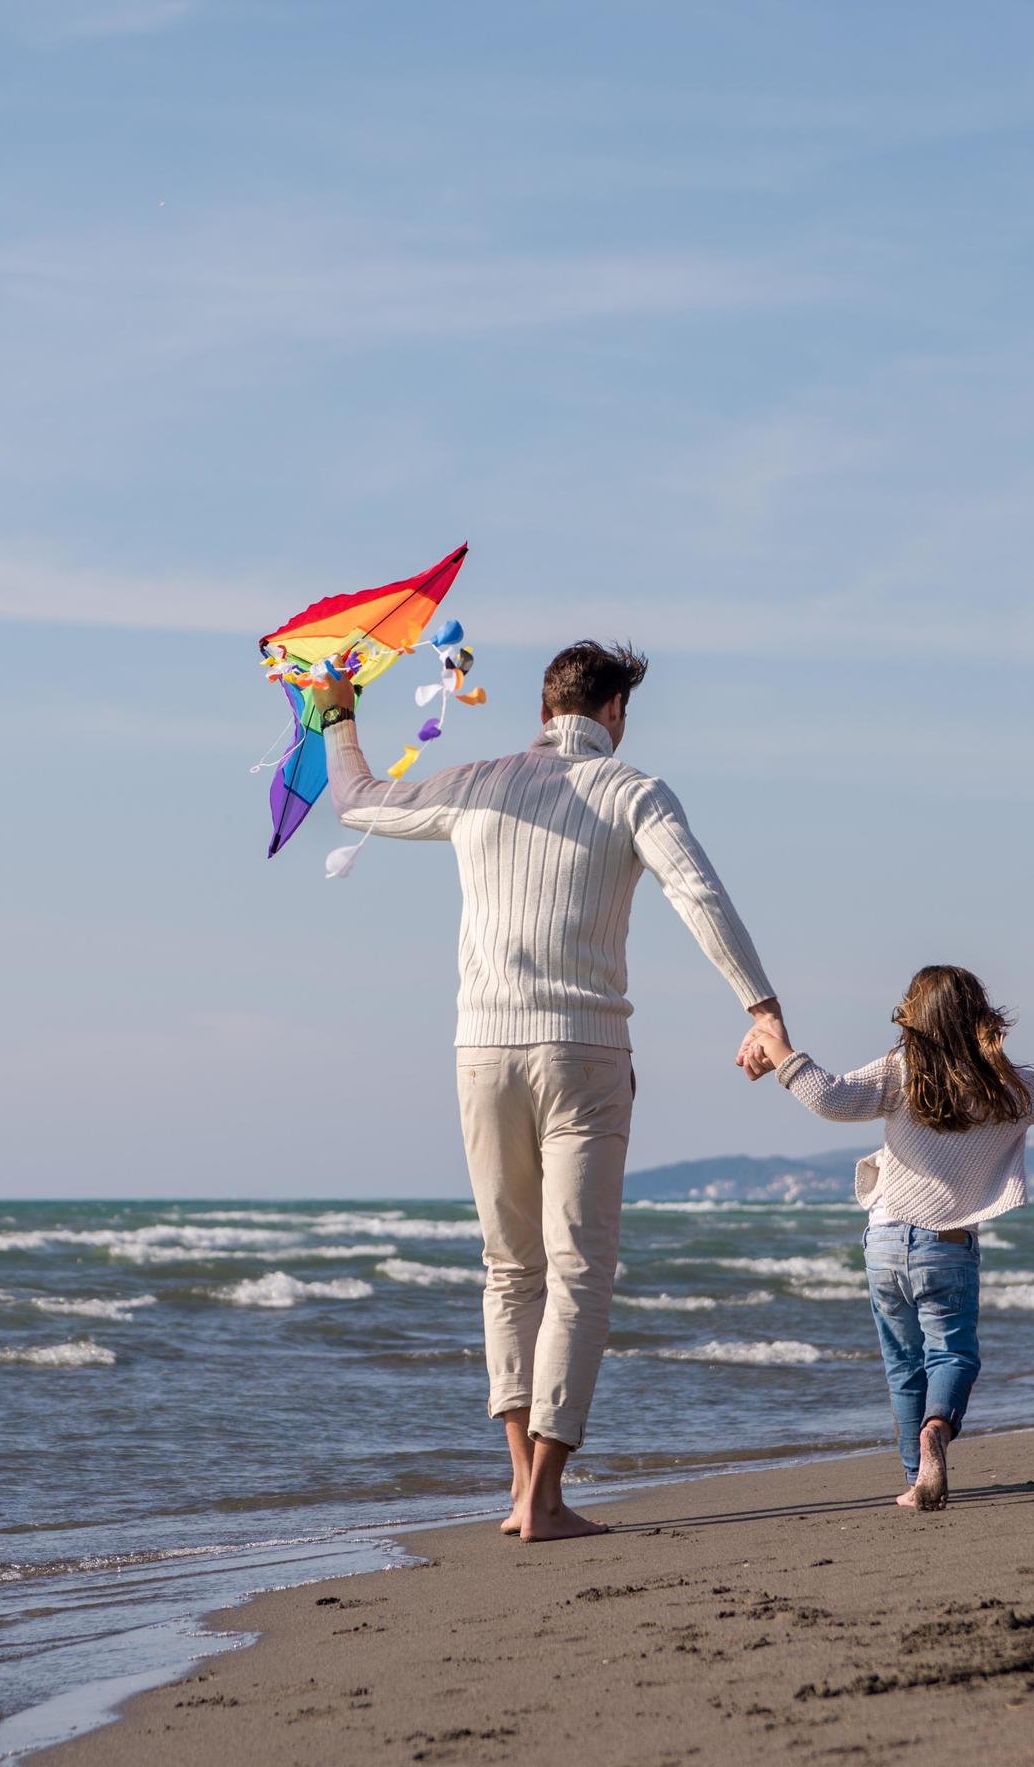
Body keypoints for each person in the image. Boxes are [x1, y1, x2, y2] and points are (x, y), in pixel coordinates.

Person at [316, 640, 784, 1542]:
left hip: (481, 1050)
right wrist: (760, 1006)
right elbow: (698, 893)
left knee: (509, 1269)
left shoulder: (477, 782)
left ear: (543, 708)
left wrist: (337, 711)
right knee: (579, 1271)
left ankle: (521, 1486)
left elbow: (355, 803)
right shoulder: (634, 790)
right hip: (585, 1049)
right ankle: (548, 1498)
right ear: (613, 713)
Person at [740, 967, 1034, 1510]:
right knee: (951, 1355)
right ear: (980, 1017)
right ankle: (936, 1433)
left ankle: (915, 1477)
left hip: (882, 1246)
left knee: (904, 1366)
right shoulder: (1010, 1088)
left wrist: (783, 1052)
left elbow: (830, 1099)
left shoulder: (900, 1071)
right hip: (945, 1246)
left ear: (914, 1017)